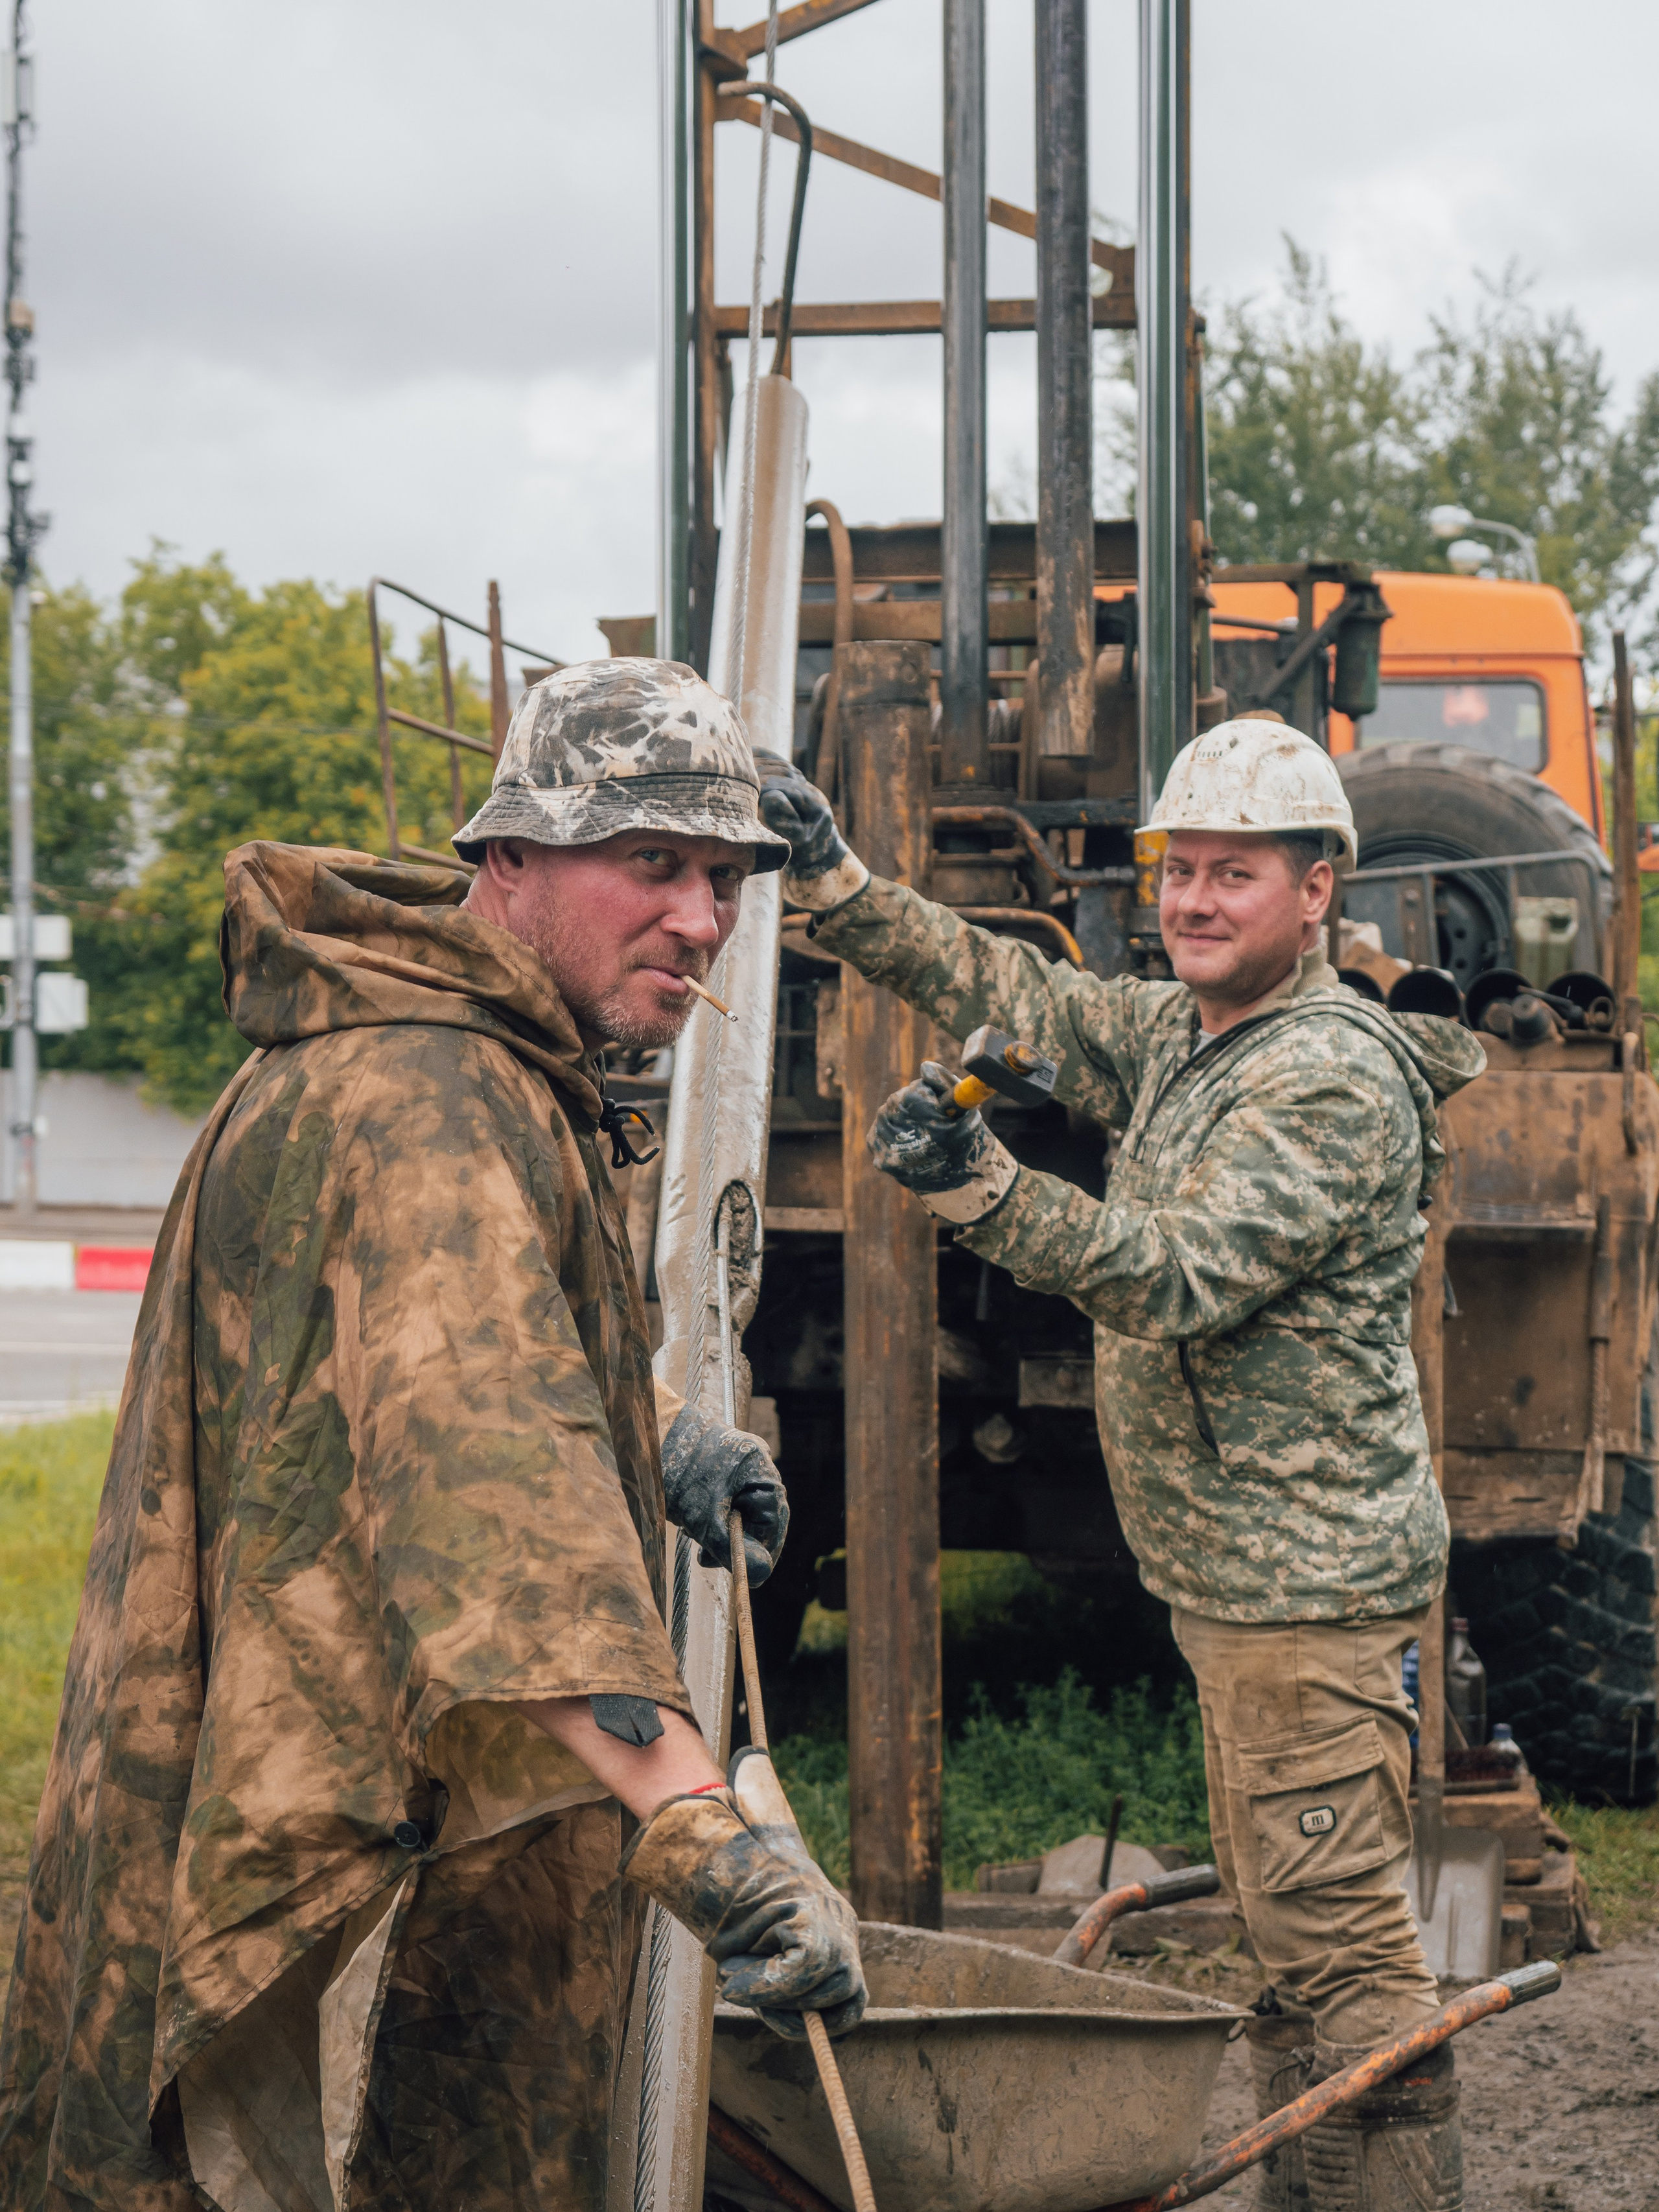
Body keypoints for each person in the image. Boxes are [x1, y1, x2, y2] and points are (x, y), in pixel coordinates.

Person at [0, 658, 864, 2212]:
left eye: (724, 877)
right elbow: (497, 1495)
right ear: (509, 861)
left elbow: (435, 1351)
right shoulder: (436, 1095)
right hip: (332, 1842)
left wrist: (654, 1428)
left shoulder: (434, 1049)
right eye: (652, 864)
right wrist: (695, 1824)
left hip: (317, 1739)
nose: (701, 917)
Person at [760, 719, 1487, 2212]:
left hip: (1305, 1600)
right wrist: (837, 888)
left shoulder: (1327, 1080)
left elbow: (1173, 1274)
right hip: (1244, 1588)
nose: (1195, 900)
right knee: (1297, 1946)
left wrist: (980, 1188)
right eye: (1180, 871)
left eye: (1235, 874)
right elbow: (1011, 990)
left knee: (1344, 1961)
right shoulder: (1190, 1036)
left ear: (1316, 893)